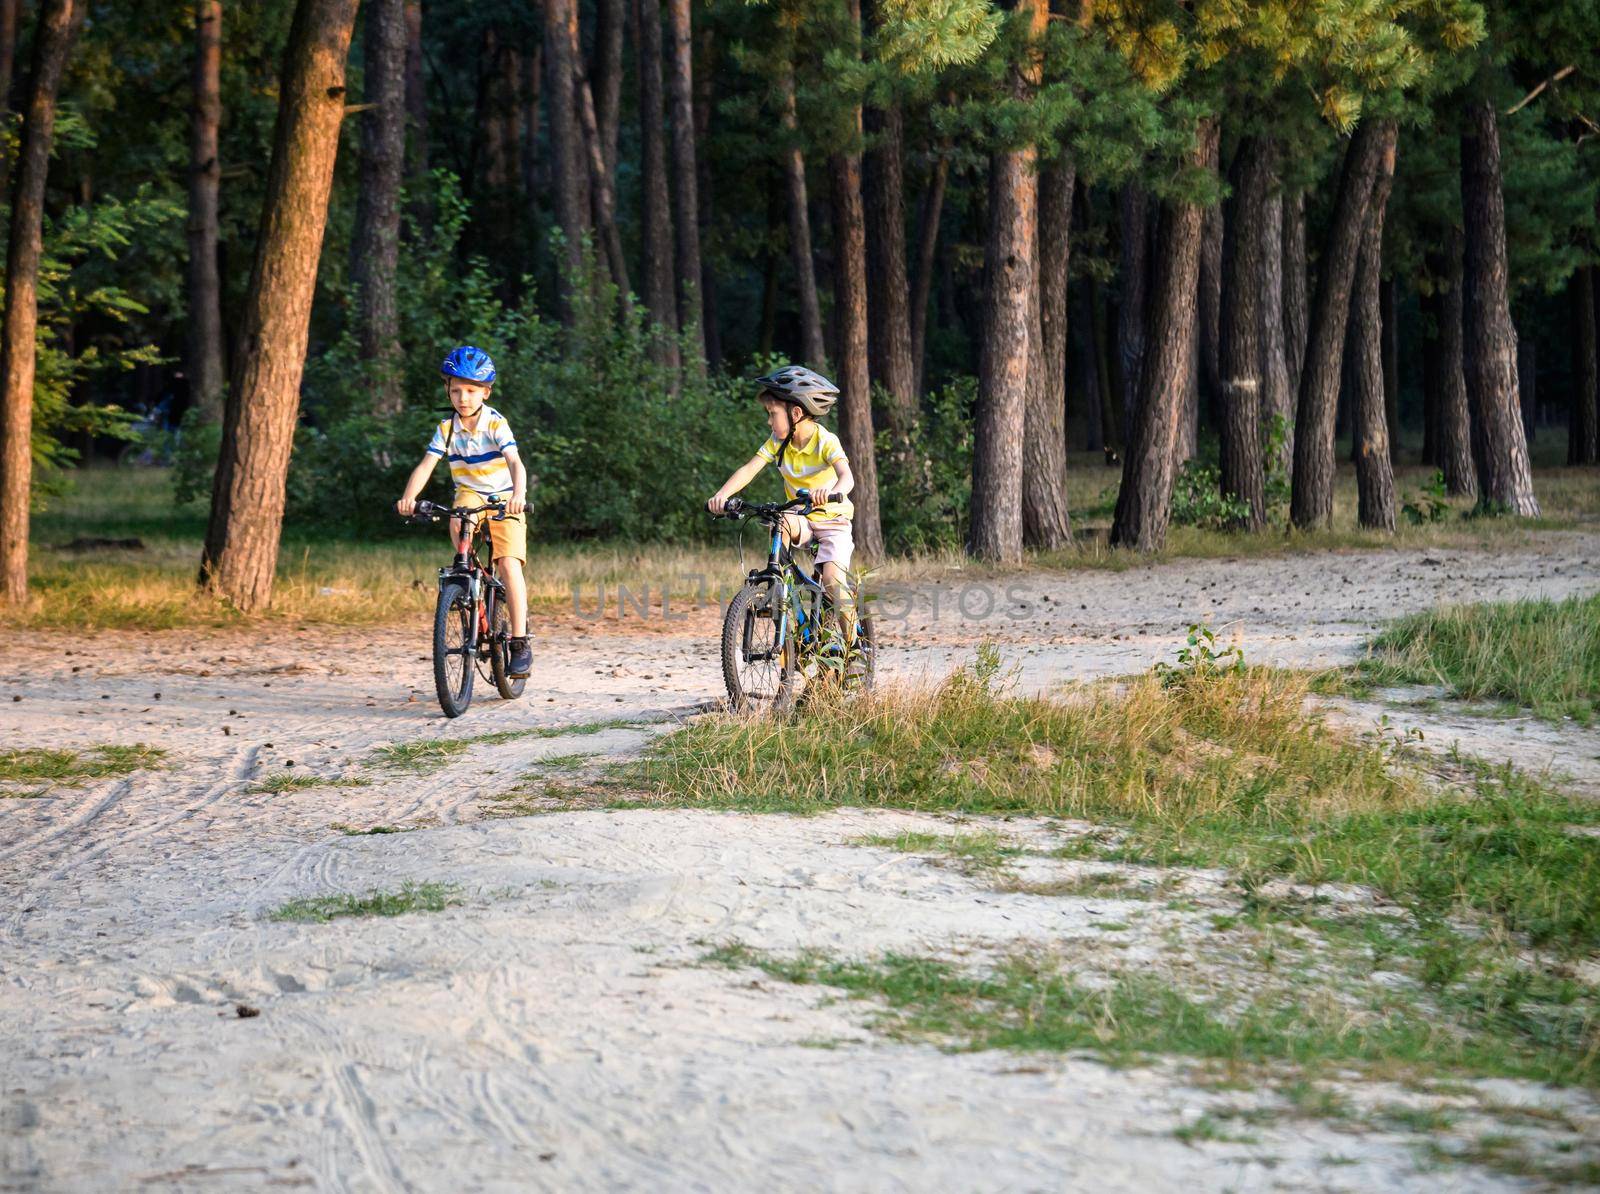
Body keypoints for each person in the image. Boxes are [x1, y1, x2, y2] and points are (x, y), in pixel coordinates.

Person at [706, 365, 862, 668]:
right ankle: (781, 586)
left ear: (796, 413)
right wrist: (722, 496)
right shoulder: (780, 443)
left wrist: (832, 492)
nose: (768, 420)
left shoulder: (825, 441)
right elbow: (750, 468)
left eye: (772, 413)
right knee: (777, 521)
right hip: (801, 517)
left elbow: (847, 477)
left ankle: (855, 649)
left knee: (832, 578)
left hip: (832, 521)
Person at [396, 346, 533, 679]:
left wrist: (519, 494)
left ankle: (519, 642)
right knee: (460, 515)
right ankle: (466, 574)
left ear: (485, 392)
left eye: (471, 390)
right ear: (448, 390)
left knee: (508, 563)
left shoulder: (496, 423)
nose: (463, 398)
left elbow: (515, 462)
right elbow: (427, 464)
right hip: (470, 494)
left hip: (503, 498)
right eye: (455, 390)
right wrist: (409, 497)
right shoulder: (446, 428)